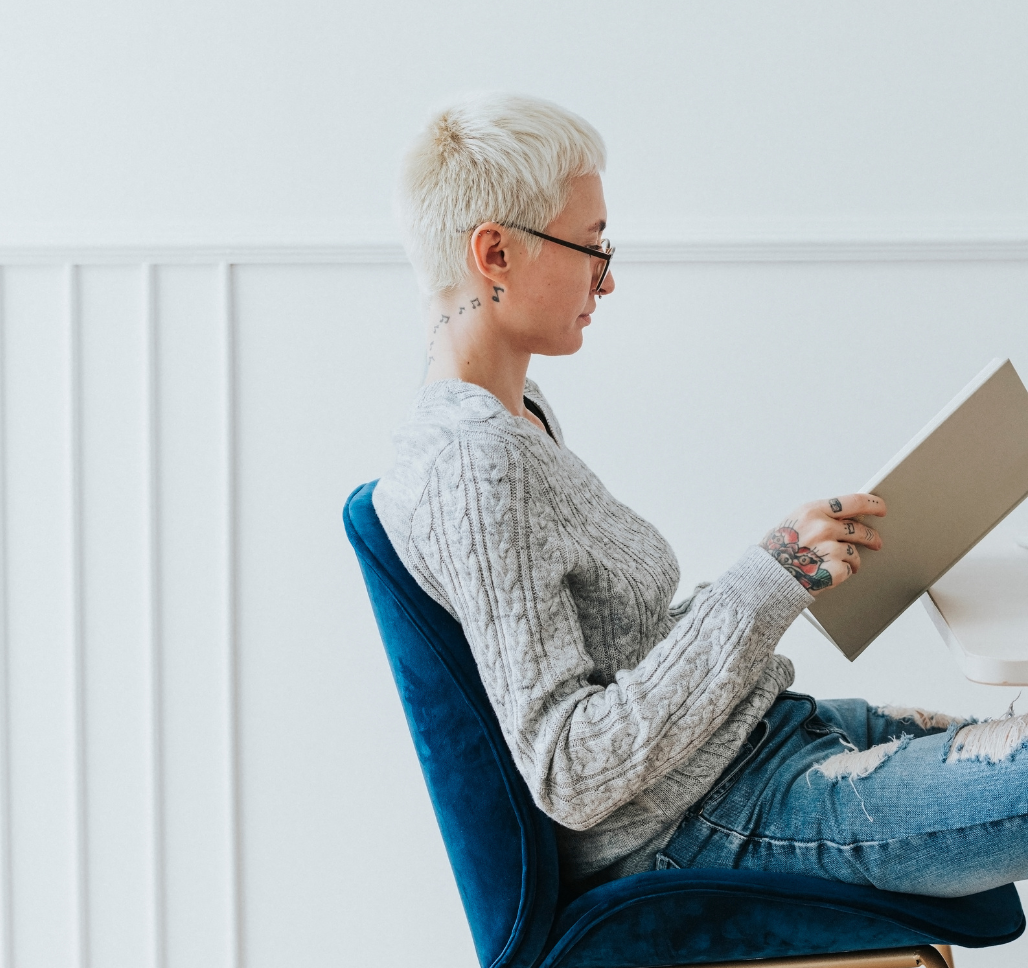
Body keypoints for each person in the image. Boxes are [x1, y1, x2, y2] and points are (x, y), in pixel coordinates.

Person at [373, 93, 1028, 896]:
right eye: (589, 246)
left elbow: (623, 660)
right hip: (699, 819)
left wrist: (781, 563)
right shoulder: (476, 468)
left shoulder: (517, 419)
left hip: (750, 747)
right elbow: (571, 769)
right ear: (495, 255)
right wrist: (766, 578)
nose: (606, 280)